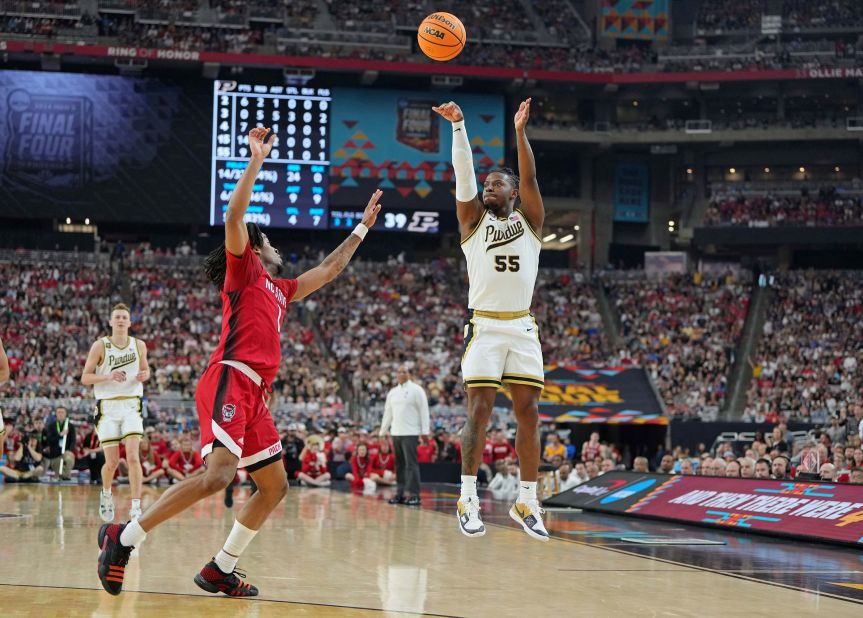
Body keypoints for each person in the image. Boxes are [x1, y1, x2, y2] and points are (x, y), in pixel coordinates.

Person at [96, 126, 385, 598]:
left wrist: (361, 229)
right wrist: (256, 161)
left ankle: (220, 568)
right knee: (220, 476)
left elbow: (329, 270)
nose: (275, 245)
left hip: (256, 395)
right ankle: (123, 539)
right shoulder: (244, 267)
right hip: (229, 379)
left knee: (274, 486)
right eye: (267, 239)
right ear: (256, 249)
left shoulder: (284, 289)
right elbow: (235, 214)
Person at [435, 98, 548, 541]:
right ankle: (467, 496)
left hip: (521, 326)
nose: (488, 188)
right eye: (487, 184)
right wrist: (459, 127)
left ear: (513, 192)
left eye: (497, 183)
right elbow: (463, 176)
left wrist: (519, 132)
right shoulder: (471, 223)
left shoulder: (533, 220)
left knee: (530, 413)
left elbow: (532, 176)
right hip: (483, 326)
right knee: (478, 412)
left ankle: (526, 499)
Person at [81, 303, 150, 521]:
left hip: (131, 404)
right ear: (111, 322)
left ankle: (136, 506)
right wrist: (109, 376)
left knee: (132, 456)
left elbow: (146, 369)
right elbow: (85, 377)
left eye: (124, 317)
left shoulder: (139, 345)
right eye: (117, 317)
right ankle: (107, 493)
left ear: (129, 322)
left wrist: (144, 375)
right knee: (111, 462)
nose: (120, 320)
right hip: (107, 406)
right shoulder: (100, 346)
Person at [379, 364, 430, 507]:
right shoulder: (392, 392)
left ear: (409, 374)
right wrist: (382, 432)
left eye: (404, 372)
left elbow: (424, 411)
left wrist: (425, 431)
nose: (401, 374)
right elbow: (388, 413)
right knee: (399, 465)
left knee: (411, 465)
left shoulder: (417, 390)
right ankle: (400, 493)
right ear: (396, 374)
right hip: (396, 432)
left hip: (411, 433)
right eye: (399, 372)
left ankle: (414, 494)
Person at [43, 406, 77, 481]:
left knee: (69, 459)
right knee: (60, 475)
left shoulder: (70, 426)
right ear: (56, 414)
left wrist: (70, 450)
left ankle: (66, 475)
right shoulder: (51, 426)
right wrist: (60, 435)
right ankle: (63, 475)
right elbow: (49, 440)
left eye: (62, 412)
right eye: (58, 412)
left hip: (66, 452)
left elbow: (73, 440)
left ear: (66, 414)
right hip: (55, 454)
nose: (60, 414)